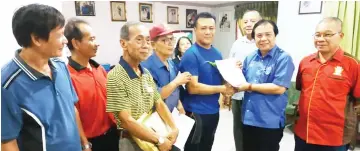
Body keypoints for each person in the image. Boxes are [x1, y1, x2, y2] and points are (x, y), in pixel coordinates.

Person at [1, 4, 81, 151]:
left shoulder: (61, 67)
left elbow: (72, 108)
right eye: (60, 35)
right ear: (37, 39)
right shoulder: (7, 85)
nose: (65, 41)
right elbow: (7, 142)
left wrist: (85, 144)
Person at [106, 21, 179, 151]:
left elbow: (159, 103)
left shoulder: (145, 72)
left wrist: (174, 128)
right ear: (123, 44)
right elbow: (126, 120)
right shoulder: (115, 76)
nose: (146, 46)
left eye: (147, 40)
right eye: (139, 40)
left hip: (154, 133)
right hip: (133, 142)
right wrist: (159, 140)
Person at [294, 17, 360, 151]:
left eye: (328, 34)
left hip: (334, 137)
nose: (321, 39)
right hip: (304, 132)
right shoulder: (306, 62)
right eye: (317, 35)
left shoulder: (353, 65)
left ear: (340, 36)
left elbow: (357, 100)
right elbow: (302, 91)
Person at [234, 19, 295, 151]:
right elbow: (240, 80)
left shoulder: (283, 58)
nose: (263, 39)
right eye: (259, 35)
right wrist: (235, 70)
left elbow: (279, 88)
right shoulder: (250, 57)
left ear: (275, 36)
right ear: (254, 37)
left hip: (269, 121)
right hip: (249, 118)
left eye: (268, 34)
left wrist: (249, 87)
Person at [179, 12, 234, 151]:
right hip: (196, 113)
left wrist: (233, 70)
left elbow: (220, 77)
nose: (208, 32)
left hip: (213, 110)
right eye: (203, 28)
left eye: (211, 28)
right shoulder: (191, 54)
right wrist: (222, 89)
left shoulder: (217, 53)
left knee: (207, 146)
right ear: (195, 30)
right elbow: (193, 88)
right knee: (194, 148)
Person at [64, 18, 119, 151]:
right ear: (76, 43)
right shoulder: (67, 76)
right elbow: (72, 114)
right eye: (92, 39)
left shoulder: (98, 68)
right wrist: (85, 143)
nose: (97, 44)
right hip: (91, 142)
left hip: (112, 135)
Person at [227, 10, 262, 151]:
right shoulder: (237, 43)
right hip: (238, 94)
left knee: (255, 131)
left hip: (256, 95)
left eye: (252, 21)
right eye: (245, 21)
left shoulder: (262, 42)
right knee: (238, 129)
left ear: (260, 22)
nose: (248, 24)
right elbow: (230, 66)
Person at [141, 24, 190, 115]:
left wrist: (179, 104)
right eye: (164, 40)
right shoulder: (145, 67)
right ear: (153, 45)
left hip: (173, 114)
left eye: (171, 39)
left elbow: (174, 89)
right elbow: (155, 97)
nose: (170, 43)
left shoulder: (170, 63)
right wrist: (177, 82)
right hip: (157, 118)